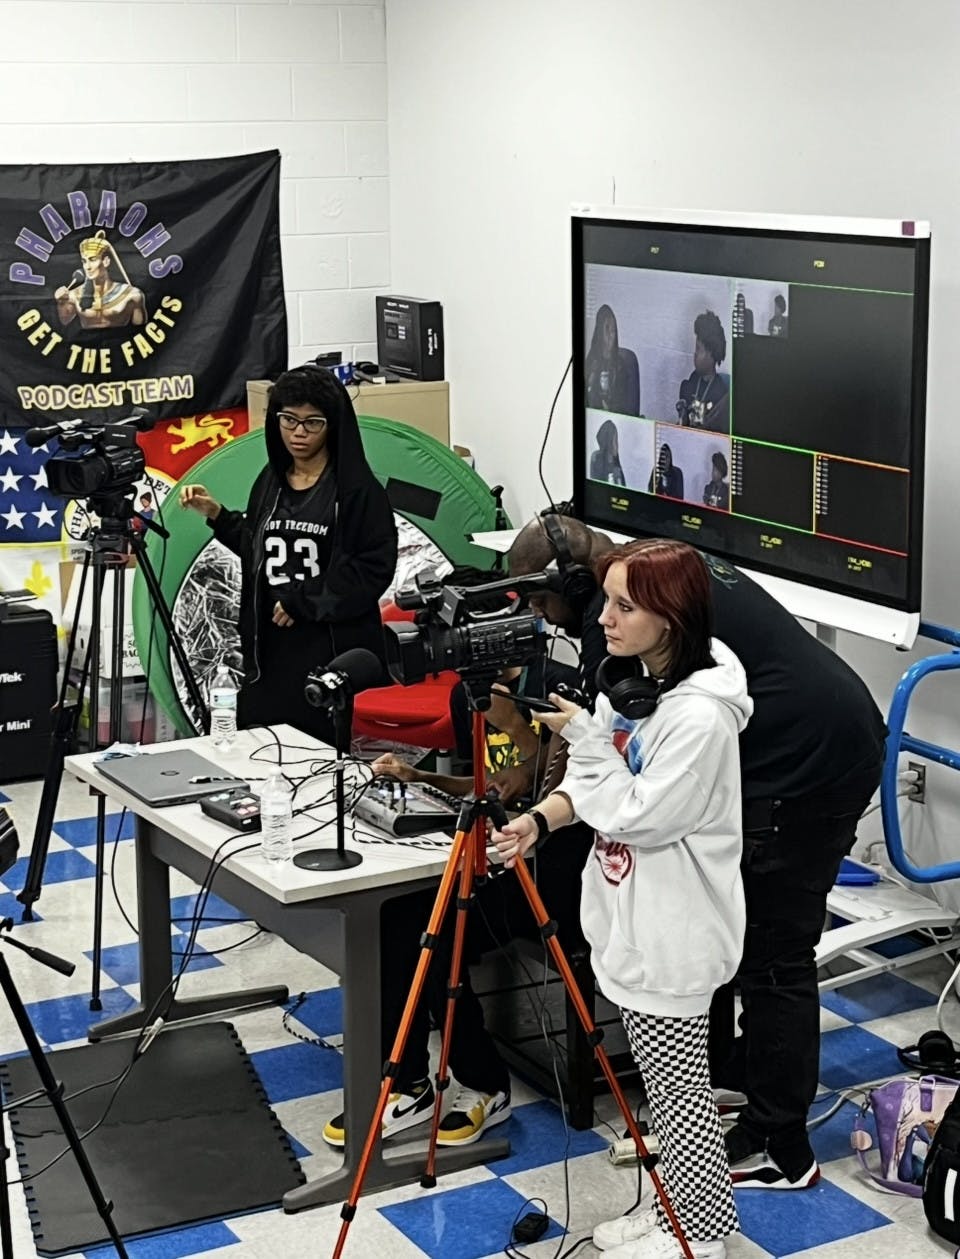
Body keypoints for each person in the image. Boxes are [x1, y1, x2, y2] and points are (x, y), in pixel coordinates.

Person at [506, 515, 886, 1198]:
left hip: (811, 758)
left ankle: (780, 1142)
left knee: (774, 952)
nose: (545, 618)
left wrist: (564, 781)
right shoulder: (650, 576)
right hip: (805, 734)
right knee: (741, 940)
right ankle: (727, 1088)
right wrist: (546, 810)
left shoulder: (627, 623)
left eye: (540, 603)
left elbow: (621, 768)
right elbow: (616, 737)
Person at [493, 539, 749, 1259]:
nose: (604, 617)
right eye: (606, 598)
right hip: (631, 918)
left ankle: (700, 1234)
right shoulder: (631, 682)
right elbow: (597, 780)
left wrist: (585, 737)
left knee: (682, 1096)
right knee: (662, 1097)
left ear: (669, 617)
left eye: (624, 605)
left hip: (675, 930)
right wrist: (541, 819)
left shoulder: (699, 720)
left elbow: (638, 811)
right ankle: (674, 1209)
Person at [180, 364, 397, 745]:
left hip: (328, 649)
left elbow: (373, 569)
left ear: (334, 425)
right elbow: (260, 548)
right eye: (289, 420)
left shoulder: (358, 492)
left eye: (313, 422)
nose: (299, 433)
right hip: (269, 654)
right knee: (264, 751)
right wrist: (217, 516)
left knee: (321, 757)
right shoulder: (270, 482)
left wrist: (304, 601)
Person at [54, 230, 146, 329]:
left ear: (106, 261)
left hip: (119, 342)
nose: (87, 267)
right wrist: (61, 302)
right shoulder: (74, 295)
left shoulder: (132, 295)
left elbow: (140, 330)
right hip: (86, 342)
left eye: (93, 259)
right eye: (84, 261)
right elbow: (64, 321)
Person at [676, 311, 729, 432]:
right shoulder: (694, 378)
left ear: (711, 355)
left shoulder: (720, 393)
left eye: (698, 349)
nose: (694, 355)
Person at [585, 305, 641, 416]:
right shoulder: (591, 363)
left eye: (613, 330)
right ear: (599, 332)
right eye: (607, 329)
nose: (611, 335)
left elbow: (630, 411)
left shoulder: (623, 365)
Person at [590, 418, 627, 486]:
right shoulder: (596, 457)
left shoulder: (616, 463)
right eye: (615, 441)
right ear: (608, 441)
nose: (617, 446)